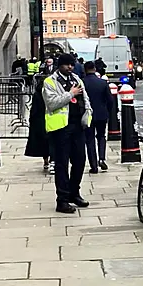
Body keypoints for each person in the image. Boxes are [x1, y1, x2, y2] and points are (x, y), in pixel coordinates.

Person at [42, 53, 92, 213]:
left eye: (72, 64)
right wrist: (70, 94)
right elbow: (51, 103)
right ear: (59, 65)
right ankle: (62, 200)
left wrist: (88, 112)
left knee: (80, 161)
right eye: (67, 65)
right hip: (60, 129)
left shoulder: (77, 79)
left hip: (78, 127)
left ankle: (74, 193)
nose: (70, 67)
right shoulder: (49, 82)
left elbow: (85, 97)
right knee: (62, 165)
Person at [82, 61, 112, 174]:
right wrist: (107, 112)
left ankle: (93, 166)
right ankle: (102, 158)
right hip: (101, 114)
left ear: (85, 70)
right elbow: (110, 100)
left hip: (87, 115)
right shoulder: (103, 83)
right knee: (101, 136)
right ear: (95, 69)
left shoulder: (82, 83)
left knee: (89, 140)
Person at [24, 76, 51, 171]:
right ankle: (52, 160)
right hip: (50, 119)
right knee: (51, 141)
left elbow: (34, 109)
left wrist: (31, 119)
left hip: (40, 120)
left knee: (43, 142)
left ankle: (46, 160)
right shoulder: (51, 93)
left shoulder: (37, 94)